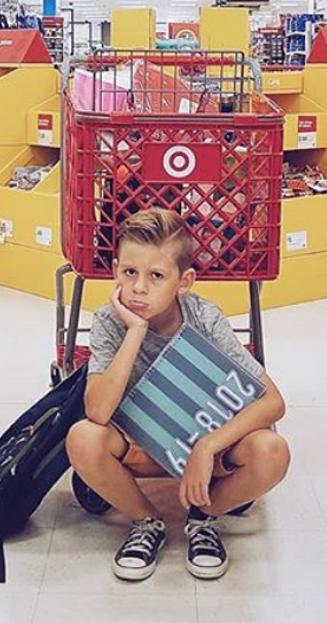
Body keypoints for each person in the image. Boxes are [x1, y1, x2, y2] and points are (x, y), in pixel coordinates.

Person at [66, 208, 290, 583]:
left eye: (156, 276)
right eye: (129, 272)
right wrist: (135, 331)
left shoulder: (203, 318)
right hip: (141, 445)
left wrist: (207, 447)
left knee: (273, 451)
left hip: (209, 445)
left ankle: (203, 517)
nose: (139, 288)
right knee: (82, 438)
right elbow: (98, 412)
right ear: (115, 270)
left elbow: (273, 402)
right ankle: (146, 521)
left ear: (184, 281)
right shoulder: (109, 321)